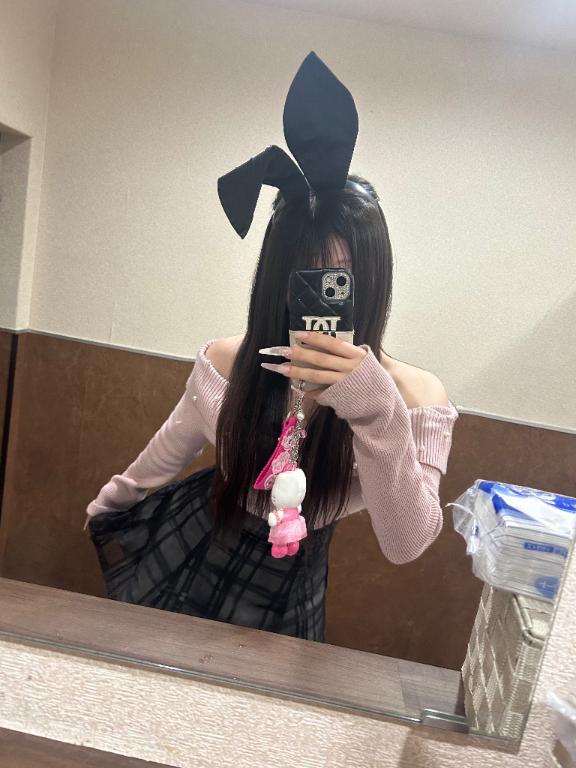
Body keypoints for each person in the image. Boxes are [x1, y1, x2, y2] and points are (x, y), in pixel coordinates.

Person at [85, 52, 459, 642]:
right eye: (303, 275)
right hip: (195, 544)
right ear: (274, 278)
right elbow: (173, 446)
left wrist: (373, 407)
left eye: (339, 280)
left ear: (373, 280)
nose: (319, 297)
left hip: (293, 583)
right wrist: (111, 505)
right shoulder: (227, 362)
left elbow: (406, 541)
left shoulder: (413, 397)